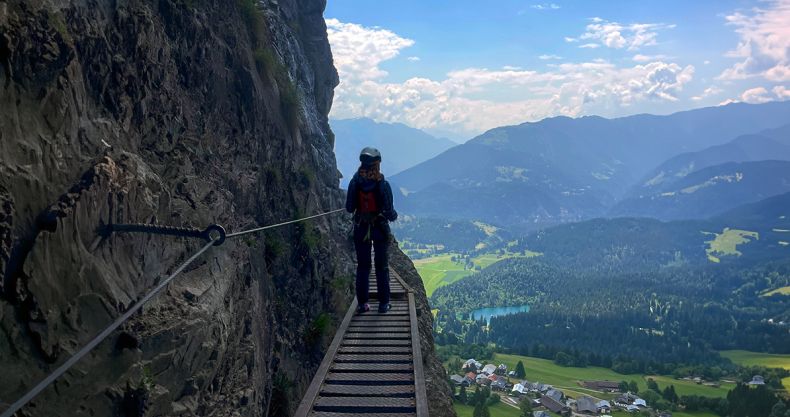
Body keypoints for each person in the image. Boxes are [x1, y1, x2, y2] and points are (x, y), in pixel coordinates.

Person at [346, 147, 398, 313]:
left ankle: (362, 304)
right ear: (377, 164)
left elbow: (349, 208)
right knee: (381, 266)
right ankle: (383, 304)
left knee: (363, 267)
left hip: (361, 228)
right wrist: (394, 215)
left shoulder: (355, 182)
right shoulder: (383, 184)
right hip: (379, 229)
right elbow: (389, 212)